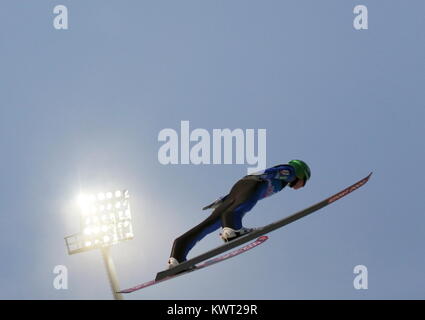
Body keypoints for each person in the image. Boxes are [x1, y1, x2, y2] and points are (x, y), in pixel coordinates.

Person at [167, 160, 311, 269]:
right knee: (244, 205)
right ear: (301, 173)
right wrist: (262, 175)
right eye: (304, 182)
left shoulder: (284, 182)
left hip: (242, 185)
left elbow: (236, 195)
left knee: (209, 224)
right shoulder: (291, 172)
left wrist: (223, 200)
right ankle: (232, 229)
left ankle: (177, 256)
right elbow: (274, 171)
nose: (301, 186)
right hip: (255, 183)